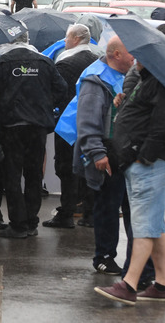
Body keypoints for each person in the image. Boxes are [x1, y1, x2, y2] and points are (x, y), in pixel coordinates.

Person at [95, 44, 165, 305]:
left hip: (153, 165)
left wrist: (142, 156)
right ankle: (162, 285)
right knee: (155, 226)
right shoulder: (151, 81)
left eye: (142, 55)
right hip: (150, 163)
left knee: (145, 227)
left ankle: (129, 284)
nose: (136, 58)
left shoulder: (159, 84)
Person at [67, 36, 141, 279]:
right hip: (108, 153)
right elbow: (87, 121)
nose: (135, 57)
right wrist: (97, 153)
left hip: (126, 153)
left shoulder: (129, 77)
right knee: (108, 207)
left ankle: (135, 260)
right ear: (116, 54)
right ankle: (104, 257)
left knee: (130, 209)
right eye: (131, 52)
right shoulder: (96, 79)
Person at [0, 30, 67, 238]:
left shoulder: (1, 63)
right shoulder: (44, 62)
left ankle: (18, 224)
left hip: (11, 126)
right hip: (37, 127)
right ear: (27, 39)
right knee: (34, 174)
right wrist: (45, 105)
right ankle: (31, 221)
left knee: (12, 175)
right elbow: (61, 88)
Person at [44, 24, 100, 229]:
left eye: (67, 37)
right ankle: (89, 212)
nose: (65, 41)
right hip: (92, 124)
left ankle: (66, 212)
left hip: (68, 123)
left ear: (76, 39)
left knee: (66, 168)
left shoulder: (64, 64)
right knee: (88, 167)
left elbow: (57, 94)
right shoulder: (96, 61)